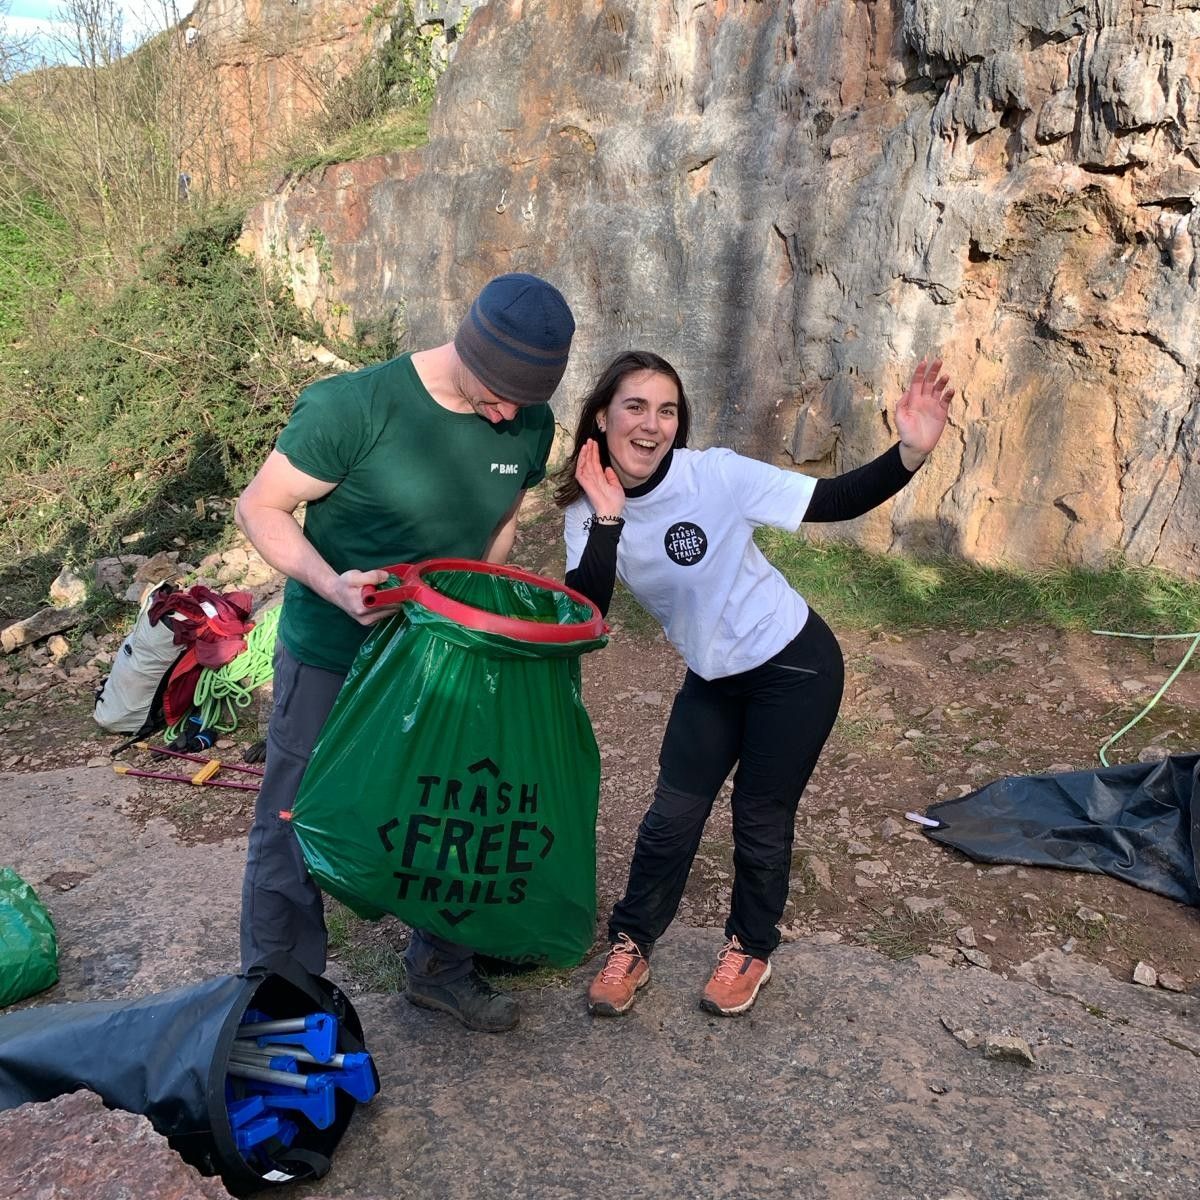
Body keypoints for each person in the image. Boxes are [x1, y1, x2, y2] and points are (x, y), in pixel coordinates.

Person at [556, 350, 953, 1017]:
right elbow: (586, 611)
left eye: (667, 410)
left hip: (794, 666)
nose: (651, 425)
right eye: (635, 406)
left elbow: (833, 499)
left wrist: (908, 453)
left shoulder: (714, 475)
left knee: (760, 818)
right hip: (713, 676)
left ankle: (749, 947)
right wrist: (606, 514)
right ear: (602, 415)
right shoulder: (589, 507)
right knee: (671, 817)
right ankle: (631, 943)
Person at [237, 273, 575, 1033]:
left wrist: (487, 620)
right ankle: (279, 993)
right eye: (497, 394)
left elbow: (499, 526)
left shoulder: (527, 424)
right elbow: (259, 505)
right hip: (334, 650)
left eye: (526, 402)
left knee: (454, 812)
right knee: (296, 815)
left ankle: (440, 969)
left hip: (443, 659)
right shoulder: (352, 407)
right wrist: (330, 584)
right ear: (466, 345)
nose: (509, 414)